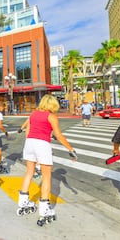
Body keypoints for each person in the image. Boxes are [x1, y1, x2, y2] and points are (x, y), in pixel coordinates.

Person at [18, 94, 77, 225]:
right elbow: (59, 135)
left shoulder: (33, 114)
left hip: (29, 143)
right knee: (46, 177)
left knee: (29, 172)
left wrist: (30, 141)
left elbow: (29, 130)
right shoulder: (51, 116)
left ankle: (23, 201)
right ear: (52, 104)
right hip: (41, 145)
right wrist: (71, 149)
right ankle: (44, 209)